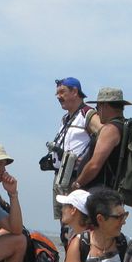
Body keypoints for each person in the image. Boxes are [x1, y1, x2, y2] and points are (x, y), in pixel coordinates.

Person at [46, 78, 102, 231]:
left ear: (75, 91)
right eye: (57, 93)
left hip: (76, 178)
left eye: (62, 92)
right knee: (64, 223)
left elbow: (104, 135)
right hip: (61, 177)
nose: (58, 96)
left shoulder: (87, 114)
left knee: (76, 222)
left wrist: (88, 161)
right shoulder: (65, 118)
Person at [71, 87, 129, 193]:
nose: (97, 113)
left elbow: (94, 165)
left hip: (99, 193)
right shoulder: (125, 127)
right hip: (109, 192)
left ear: (105, 105)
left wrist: (77, 184)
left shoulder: (111, 129)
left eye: (97, 107)